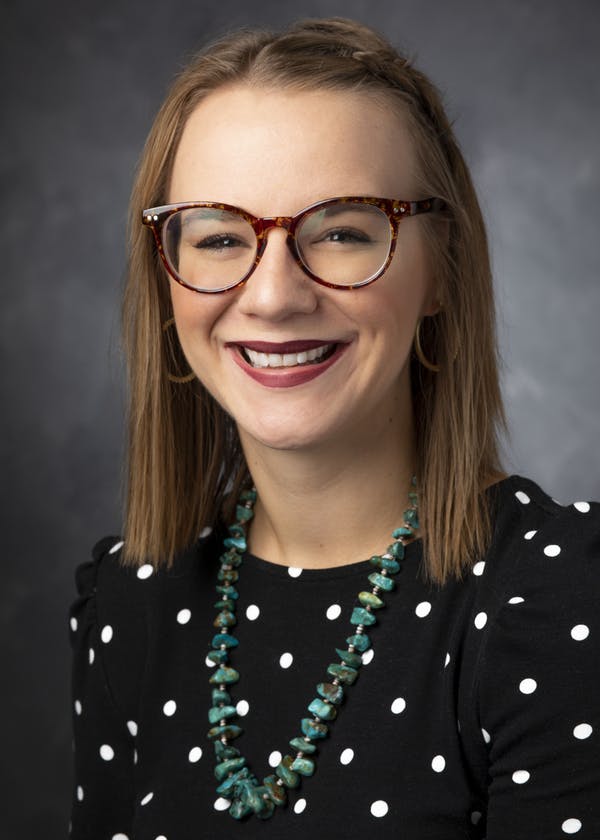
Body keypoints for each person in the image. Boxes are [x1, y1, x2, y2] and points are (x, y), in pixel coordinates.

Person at [68, 17, 599, 839]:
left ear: (442, 270)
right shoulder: (128, 603)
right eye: (218, 236)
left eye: (345, 232)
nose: (274, 295)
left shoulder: (558, 603)